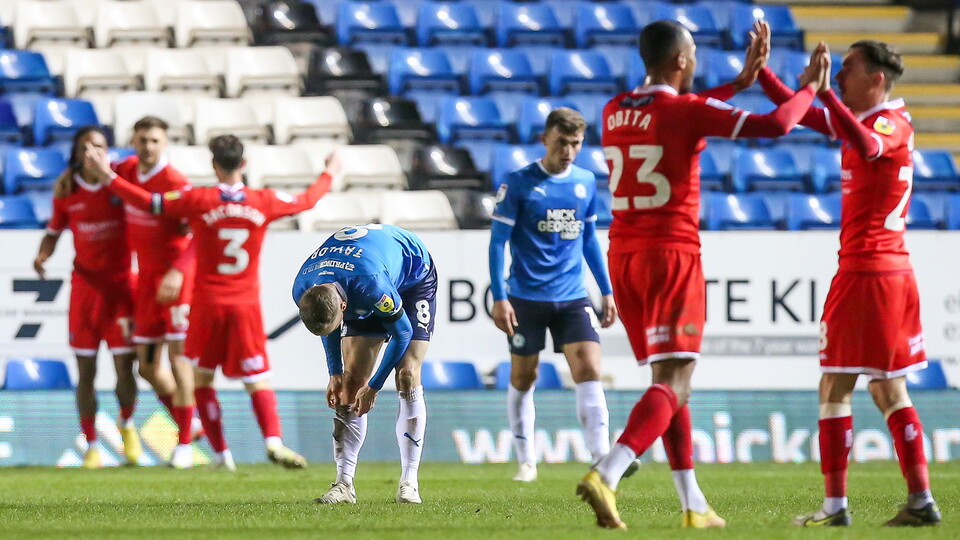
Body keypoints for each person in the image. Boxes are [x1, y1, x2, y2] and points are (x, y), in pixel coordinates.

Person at [575, 20, 831, 530]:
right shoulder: (687, 111)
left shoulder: (613, 110)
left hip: (623, 257)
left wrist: (738, 83)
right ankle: (608, 470)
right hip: (671, 255)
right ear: (682, 61)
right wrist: (808, 89)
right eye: (692, 54)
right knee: (676, 380)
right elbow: (777, 126)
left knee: (670, 383)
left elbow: (677, 114)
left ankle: (693, 504)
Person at [750, 29, 941, 527]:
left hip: (869, 273)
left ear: (876, 80)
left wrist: (825, 92)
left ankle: (835, 508)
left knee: (834, 386)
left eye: (847, 69)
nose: (838, 75)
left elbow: (869, 146)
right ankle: (920, 501)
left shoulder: (889, 123)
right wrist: (762, 74)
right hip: (885, 272)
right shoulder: (868, 119)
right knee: (886, 390)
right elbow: (806, 114)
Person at [85, 135, 336, 470]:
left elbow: (150, 203)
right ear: (243, 164)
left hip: (206, 304)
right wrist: (330, 172)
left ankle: (221, 454)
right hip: (245, 304)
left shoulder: (199, 199)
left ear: (214, 165)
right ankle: (273, 441)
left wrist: (109, 178)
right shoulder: (264, 200)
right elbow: (307, 200)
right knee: (257, 378)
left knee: (202, 378)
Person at [488, 107, 618, 482]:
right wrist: (500, 296)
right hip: (526, 297)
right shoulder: (518, 184)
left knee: (589, 367)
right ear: (544, 139)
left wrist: (606, 290)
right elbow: (498, 244)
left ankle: (601, 458)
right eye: (562, 142)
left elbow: (589, 238)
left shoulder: (586, 181)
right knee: (524, 376)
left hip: (573, 296)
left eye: (576, 144)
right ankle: (527, 460)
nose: (569, 151)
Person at [294, 224, 436, 505]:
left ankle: (409, 481)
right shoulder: (303, 287)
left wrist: (374, 386)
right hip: (360, 279)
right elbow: (328, 326)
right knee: (348, 386)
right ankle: (344, 484)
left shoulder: (370, 285)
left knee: (407, 374)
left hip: (412, 275)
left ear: (344, 309)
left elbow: (402, 332)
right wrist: (334, 372)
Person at [32, 126, 140, 468]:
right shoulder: (66, 190)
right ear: (78, 154)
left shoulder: (121, 183)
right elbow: (53, 232)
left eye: (99, 145)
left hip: (121, 291)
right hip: (85, 293)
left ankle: (126, 424)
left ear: (108, 151)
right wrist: (42, 255)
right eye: (86, 146)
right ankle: (91, 445)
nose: (92, 151)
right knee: (86, 371)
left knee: (126, 367)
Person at [114, 116, 200, 466]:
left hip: (175, 281)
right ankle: (190, 424)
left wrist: (178, 272)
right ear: (132, 141)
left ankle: (182, 443)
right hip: (146, 281)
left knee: (179, 359)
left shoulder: (175, 181)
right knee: (147, 367)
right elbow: (91, 172)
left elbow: (197, 232)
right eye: (142, 140)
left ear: (164, 143)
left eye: (153, 140)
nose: (147, 147)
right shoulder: (126, 169)